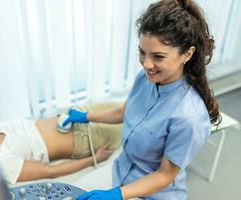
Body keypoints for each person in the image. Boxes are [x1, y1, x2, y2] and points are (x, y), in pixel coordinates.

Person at [64, 0, 222, 199]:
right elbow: (124, 111)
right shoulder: (146, 79)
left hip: (152, 192)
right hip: (120, 169)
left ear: (187, 54)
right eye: (142, 52)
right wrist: (86, 116)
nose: (146, 64)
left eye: (158, 57)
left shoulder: (190, 117)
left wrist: (116, 194)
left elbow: (165, 175)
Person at [0, 102, 123, 184]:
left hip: (79, 114)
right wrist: (95, 158)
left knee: (130, 105)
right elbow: (52, 172)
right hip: (85, 139)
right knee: (140, 120)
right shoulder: (0, 163)